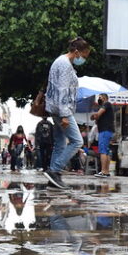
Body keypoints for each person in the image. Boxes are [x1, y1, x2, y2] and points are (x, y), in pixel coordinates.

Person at [44, 37, 91, 189]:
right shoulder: (64, 64)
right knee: (77, 141)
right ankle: (55, 170)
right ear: (76, 52)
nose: (83, 59)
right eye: (83, 55)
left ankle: (53, 180)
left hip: (57, 108)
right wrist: (65, 115)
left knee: (60, 143)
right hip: (61, 110)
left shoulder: (61, 62)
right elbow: (62, 90)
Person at [90, 93, 114, 178]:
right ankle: (106, 171)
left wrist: (95, 115)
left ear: (104, 98)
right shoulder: (106, 107)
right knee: (106, 152)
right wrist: (95, 116)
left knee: (103, 151)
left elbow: (97, 115)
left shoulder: (106, 104)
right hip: (107, 131)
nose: (98, 99)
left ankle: (103, 171)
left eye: (100, 98)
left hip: (104, 130)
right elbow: (96, 120)